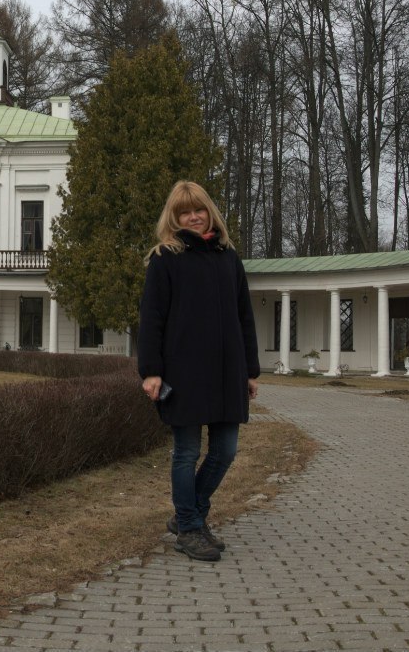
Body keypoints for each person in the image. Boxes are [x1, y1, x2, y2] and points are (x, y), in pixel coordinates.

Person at [137, 181, 260, 562]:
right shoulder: (166, 258)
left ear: (210, 212)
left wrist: (250, 370)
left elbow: (244, 317)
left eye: (199, 209)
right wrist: (151, 371)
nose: (193, 217)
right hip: (184, 372)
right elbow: (152, 318)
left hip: (226, 373)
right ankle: (190, 528)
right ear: (174, 218)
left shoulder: (228, 258)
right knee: (186, 452)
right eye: (185, 212)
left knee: (225, 450)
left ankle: (188, 515)